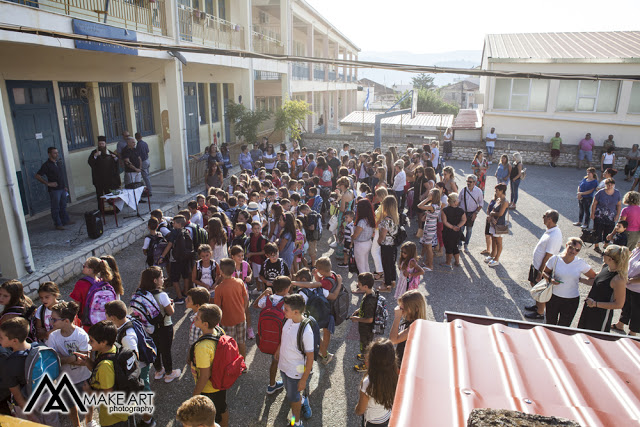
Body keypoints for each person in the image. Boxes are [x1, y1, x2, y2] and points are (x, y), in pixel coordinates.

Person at [0, 318, 59, 425]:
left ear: (14, 341)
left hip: (28, 401)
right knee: (53, 423)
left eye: (1, 338)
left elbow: (17, 394)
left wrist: (30, 415)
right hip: (48, 394)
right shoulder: (41, 347)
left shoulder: (9, 364)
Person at [46, 301, 94, 427]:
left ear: (66, 321)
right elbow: (53, 360)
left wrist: (63, 359)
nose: (51, 322)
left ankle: (89, 422)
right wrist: (73, 357)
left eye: (54, 319)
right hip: (65, 380)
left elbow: (85, 360)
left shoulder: (81, 335)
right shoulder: (53, 337)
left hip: (84, 377)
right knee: (71, 405)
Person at [76, 320, 130, 427]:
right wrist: (88, 362)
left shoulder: (105, 366)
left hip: (113, 418)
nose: (88, 343)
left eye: (91, 341)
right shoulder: (110, 349)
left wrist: (89, 392)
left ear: (103, 342)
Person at [277, 294, 314, 426]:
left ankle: (296, 422)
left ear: (296, 312)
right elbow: (284, 337)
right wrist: (278, 349)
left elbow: (310, 357)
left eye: (286, 309)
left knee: (293, 399)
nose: (283, 310)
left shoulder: (306, 332)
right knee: (291, 394)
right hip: (284, 367)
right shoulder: (288, 319)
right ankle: (302, 400)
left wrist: (303, 379)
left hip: (295, 372)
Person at [189, 304, 229, 427]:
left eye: (197, 318)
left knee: (209, 416)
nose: (194, 317)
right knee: (222, 407)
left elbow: (205, 375)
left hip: (209, 388)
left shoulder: (202, 347)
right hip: (220, 382)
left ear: (205, 324)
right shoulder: (218, 330)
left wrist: (195, 394)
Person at [542, 238, 597, 327]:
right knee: (550, 325)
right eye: (571, 247)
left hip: (571, 300)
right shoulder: (555, 259)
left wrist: (580, 279)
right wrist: (550, 279)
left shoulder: (580, 263)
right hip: (553, 297)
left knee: (564, 327)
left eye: (577, 250)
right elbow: (545, 272)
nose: (573, 251)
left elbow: (593, 276)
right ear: (566, 245)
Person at [140, 266, 180, 383]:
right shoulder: (162, 295)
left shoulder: (143, 294)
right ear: (155, 280)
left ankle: (158, 371)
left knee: (155, 348)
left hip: (150, 328)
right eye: (161, 277)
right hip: (164, 326)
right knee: (166, 350)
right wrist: (171, 304)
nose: (163, 279)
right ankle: (169, 373)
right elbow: (170, 312)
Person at [522, 209, 564, 319]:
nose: (543, 218)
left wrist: (541, 272)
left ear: (550, 219)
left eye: (544, 216)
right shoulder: (550, 230)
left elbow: (548, 255)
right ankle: (537, 306)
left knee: (540, 289)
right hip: (537, 264)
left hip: (542, 267)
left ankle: (540, 313)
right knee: (534, 284)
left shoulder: (554, 235)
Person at [577, 245, 628, 332]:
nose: (602, 255)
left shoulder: (618, 279)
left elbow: (619, 304)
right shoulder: (605, 267)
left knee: (595, 341)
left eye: (604, 253)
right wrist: (579, 279)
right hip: (589, 308)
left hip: (601, 316)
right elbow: (597, 282)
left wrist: (595, 304)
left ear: (610, 259)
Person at [253, 276, 291, 393]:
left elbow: (255, 305)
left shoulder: (267, 299)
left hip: (270, 339)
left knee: (274, 361)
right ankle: (290, 386)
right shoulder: (287, 302)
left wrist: (264, 293)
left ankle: (271, 384)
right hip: (283, 340)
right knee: (288, 363)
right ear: (286, 289)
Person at [354, 338, 397, 427]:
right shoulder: (394, 374)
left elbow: (360, 410)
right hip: (387, 416)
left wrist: (356, 409)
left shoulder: (368, 383)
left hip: (372, 421)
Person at [214, 258, 249, 358]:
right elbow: (245, 298)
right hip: (241, 317)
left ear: (221, 271)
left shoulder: (219, 288)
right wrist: (243, 310)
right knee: (241, 342)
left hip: (227, 320)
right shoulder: (240, 282)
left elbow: (217, 307)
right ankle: (243, 364)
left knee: (230, 343)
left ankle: (232, 365)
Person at [69, 257, 113, 331]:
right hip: (103, 323)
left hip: (87, 324)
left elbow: (76, 306)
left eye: (84, 266)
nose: (83, 267)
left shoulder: (81, 284)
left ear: (90, 270)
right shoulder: (102, 284)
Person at [35, 146, 72, 230]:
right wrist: (47, 183)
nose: (56, 154)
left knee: (63, 205)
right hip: (54, 190)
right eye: (54, 153)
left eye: (57, 152)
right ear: (49, 154)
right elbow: (37, 176)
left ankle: (65, 220)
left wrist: (64, 186)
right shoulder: (46, 165)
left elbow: (60, 176)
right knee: (56, 207)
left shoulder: (58, 163)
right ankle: (58, 224)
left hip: (62, 188)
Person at [389, 290, 426, 366]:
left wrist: (397, 318)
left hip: (405, 363)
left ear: (416, 309)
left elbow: (393, 340)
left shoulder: (415, 326)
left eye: (403, 307)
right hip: (401, 356)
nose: (400, 308)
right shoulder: (408, 317)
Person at [611, 242, 640, 336]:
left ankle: (633, 332)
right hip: (628, 285)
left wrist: (630, 280)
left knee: (637, 312)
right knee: (626, 306)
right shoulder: (637, 250)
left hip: (637, 289)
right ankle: (620, 324)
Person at [350, 272, 376, 372]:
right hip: (365, 328)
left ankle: (366, 365)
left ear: (365, 286)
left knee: (366, 346)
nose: (357, 285)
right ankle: (366, 355)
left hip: (367, 329)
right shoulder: (369, 293)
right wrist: (358, 310)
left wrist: (356, 319)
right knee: (365, 345)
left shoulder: (370, 300)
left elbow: (369, 319)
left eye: (359, 284)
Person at [88, 136, 121, 210]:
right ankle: (101, 210)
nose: (101, 145)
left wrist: (115, 158)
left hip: (109, 179)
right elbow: (90, 162)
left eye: (102, 144)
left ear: (105, 144)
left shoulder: (109, 152)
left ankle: (113, 209)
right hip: (99, 179)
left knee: (110, 194)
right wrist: (95, 156)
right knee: (100, 196)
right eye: (100, 144)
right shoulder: (94, 153)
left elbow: (116, 161)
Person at [591, 178, 622, 254]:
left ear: (614, 185)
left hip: (610, 216)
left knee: (608, 231)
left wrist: (618, 215)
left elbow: (619, 205)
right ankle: (596, 246)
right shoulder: (600, 193)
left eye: (611, 184)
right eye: (608, 184)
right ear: (605, 185)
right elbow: (594, 203)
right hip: (599, 216)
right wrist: (592, 213)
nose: (609, 186)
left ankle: (606, 246)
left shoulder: (617, 193)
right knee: (597, 231)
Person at [377, 196, 399, 292]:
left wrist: (378, 241)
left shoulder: (386, 220)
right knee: (392, 264)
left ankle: (387, 285)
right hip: (393, 244)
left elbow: (383, 235)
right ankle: (393, 281)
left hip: (386, 245)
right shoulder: (396, 217)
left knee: (386, 264)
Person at [484, 184, 509, 267]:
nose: (495, 192)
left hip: (500, 224)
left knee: (499, 242)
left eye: (497, 190)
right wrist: (491, 216)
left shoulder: (505, 202)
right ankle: (492, 255)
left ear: (501, 191)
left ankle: (496, 259)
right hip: (493, 223)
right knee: (493, 239)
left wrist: (492, 213)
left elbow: (501, 213)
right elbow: (494, 210)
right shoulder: (498, 199)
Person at [417, 188, 441, 272]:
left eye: (430, 194)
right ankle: (427, 262)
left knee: (429, 246)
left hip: (430, 228)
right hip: (430, 227)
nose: (428, 194)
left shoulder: (433, 206)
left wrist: (427, 199)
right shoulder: (436, 205)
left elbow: (419, 206)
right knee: (427, 246)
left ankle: (430, 265)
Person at [458, 175, 484, 253]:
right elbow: (458, 201)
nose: (468, 183)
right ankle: (459, 244)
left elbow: (481, 204)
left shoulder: (479, 191)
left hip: (471, 213)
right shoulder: (463, 190)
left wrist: (475, 213)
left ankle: (466, 245)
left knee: (469, 230)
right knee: (460, 229)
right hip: (463, 213)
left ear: (474, 182)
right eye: (467, 181)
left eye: (470, 182)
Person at [441, 193, 466, 268]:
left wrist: (452, 227)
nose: (459, 200)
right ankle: (457, 262)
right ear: (454, 201)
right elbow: (464, 220)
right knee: (455, 246)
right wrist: (457, 226)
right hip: (457, 231)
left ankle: (448, 262)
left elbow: (444, 222)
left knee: (448, 247)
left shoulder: (445, 210)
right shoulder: (461, 210)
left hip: (448, 232)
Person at [352, 199, 376, 274]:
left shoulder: (362, 222)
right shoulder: (371, 219)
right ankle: (368, 280)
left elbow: (355, 235)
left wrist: (351, 236)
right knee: (365, 264)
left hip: (360, 245)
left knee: (361, 267)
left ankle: (363, 283)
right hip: (368, 242)